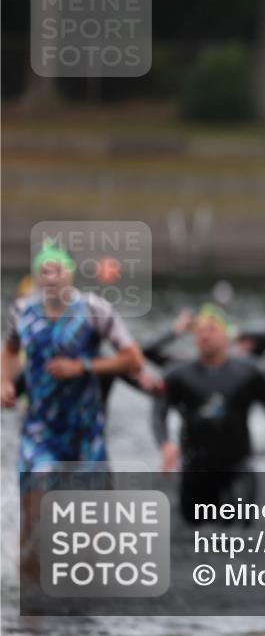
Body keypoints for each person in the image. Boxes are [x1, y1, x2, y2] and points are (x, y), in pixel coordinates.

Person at [1, 240, 143, 575]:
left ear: (70, 274)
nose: (50, 277)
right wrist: (5, 383)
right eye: (44, 271)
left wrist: (83, 366)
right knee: (34, 517)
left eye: (57, 270)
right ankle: (30, 595)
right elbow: (9, 350)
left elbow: (132, 359)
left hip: (85, 433)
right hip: (39, 431)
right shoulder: (22, 311)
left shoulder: (95, 310)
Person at [153, 304, 265, 524]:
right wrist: (165, 443)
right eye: (199, 330)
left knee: (239, 536)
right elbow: (158, 411)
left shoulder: (250, 373)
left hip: (237, 469)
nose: (205, 335)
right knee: (190, 537)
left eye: (211, 329)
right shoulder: (178, 375)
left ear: (227, 334)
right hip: (194, 471)